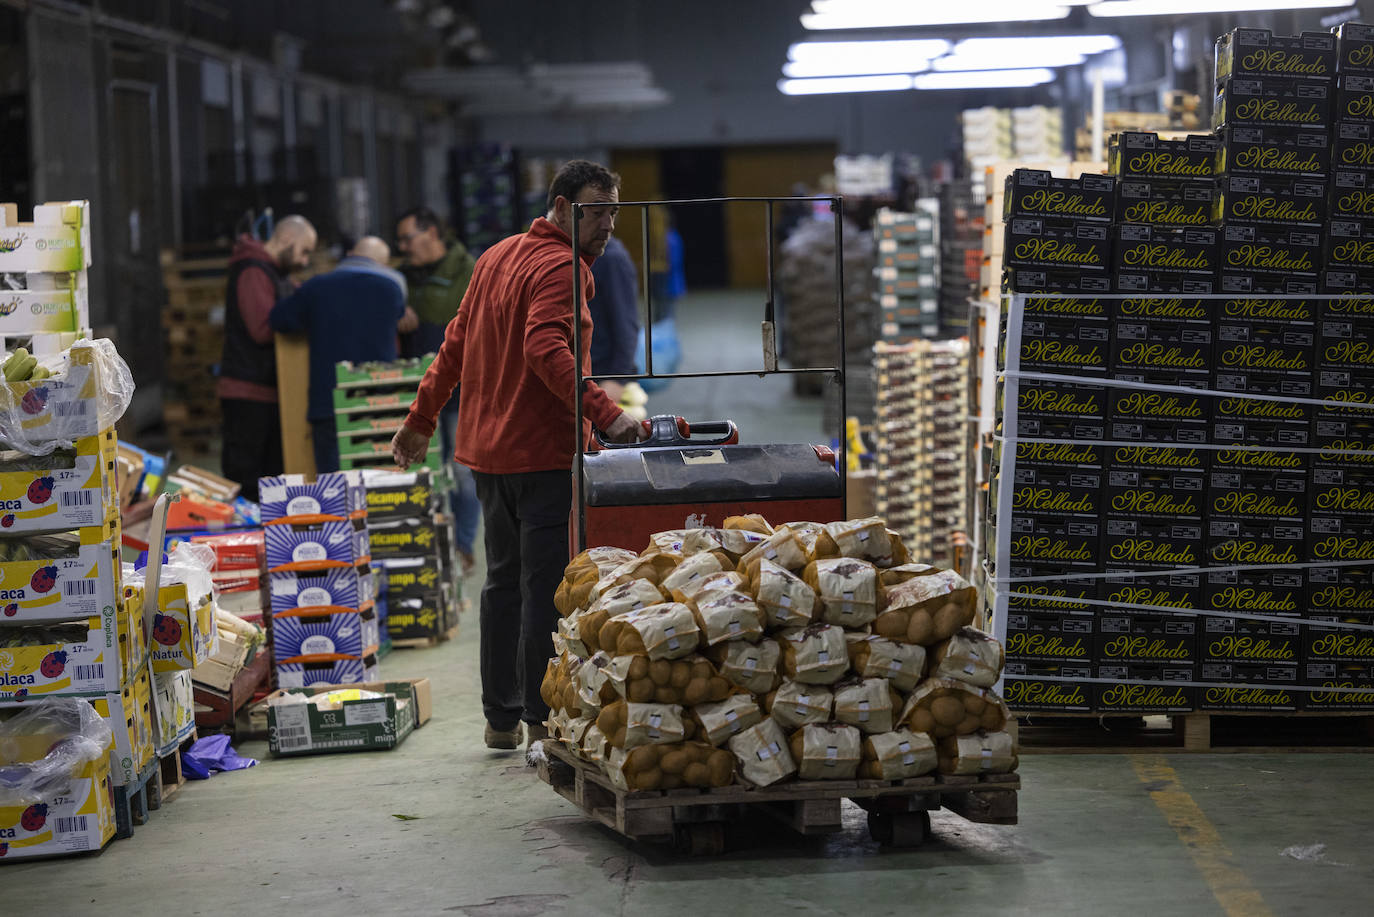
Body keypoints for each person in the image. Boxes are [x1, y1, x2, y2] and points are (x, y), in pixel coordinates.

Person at [390, 160, 644, 752]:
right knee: (546, 588)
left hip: (488, 455)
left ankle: (500, 719)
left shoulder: (496, 256)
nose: (606, 225)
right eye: (593, 212)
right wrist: (606, 414)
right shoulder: (563, 265)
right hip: (543, 455)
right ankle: (540, 716)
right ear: (559, 208)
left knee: (502, 585)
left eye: (612, 212)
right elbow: (544, 347)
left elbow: (455, 344)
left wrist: (420, 421)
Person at [268, 236, 408, 474]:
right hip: (379, 403)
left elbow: (278, 320)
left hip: (331, 403)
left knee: (334, 489)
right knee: (380, 488)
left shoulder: (316, 287)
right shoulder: (392, 289)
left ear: (351, 254)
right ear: (383, 264)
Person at [395, 206, 482, 576]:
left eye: (407, 238)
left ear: (431, 233)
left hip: (461, 389)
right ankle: (436, 549)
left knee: (462, 473)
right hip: (416, 392)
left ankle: (462, 546)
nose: (402, 247)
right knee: (426, 472)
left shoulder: (468, 269)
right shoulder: (400, 278)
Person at [218, 215, 317, 501]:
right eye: (304, 250)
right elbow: (262, 329)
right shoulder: (253, 271)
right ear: (286, 239)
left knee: (270, 480)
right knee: (246, 480)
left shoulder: (273, 273)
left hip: (268, 392)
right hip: (248, 393)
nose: (305, 260)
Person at [587, 233, 640, 405]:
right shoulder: (581, 253)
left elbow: (626, 323)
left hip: (603, 376)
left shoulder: (611, 258)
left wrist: (617, 378)